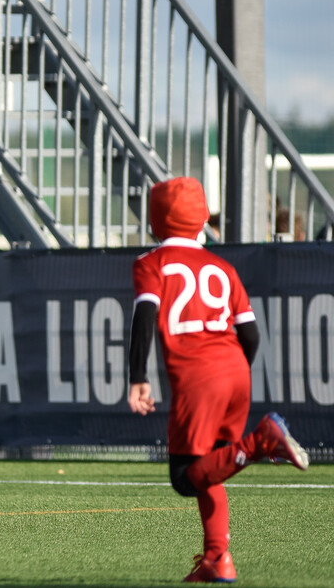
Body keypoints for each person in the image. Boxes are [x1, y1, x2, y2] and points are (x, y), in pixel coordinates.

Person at [128, 177, 309, 583]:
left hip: (198, 376)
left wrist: (138, 376)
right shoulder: (223, 267)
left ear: (156, 222)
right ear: (203, 219)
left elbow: (144, 316)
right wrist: (234, 370)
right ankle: (217, 558)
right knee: (210, 465)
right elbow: (251, 335)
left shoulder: (150, 263)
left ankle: (261, 441)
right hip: (236, 369)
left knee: (183, 478)